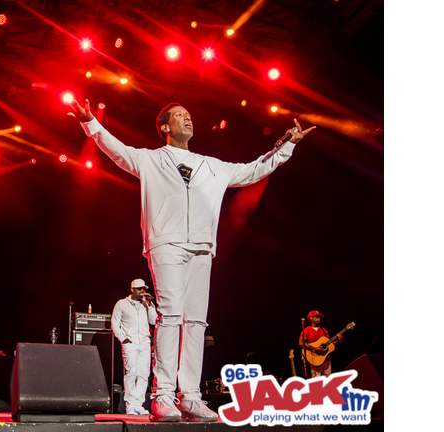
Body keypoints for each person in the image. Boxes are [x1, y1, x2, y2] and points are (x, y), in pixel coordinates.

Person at [68, 99, 314, 422]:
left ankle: (191, 397)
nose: (188, 119)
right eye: (180, 116)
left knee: (196, 322)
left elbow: (253, 169)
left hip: (201, 246)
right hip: (166, 243)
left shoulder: (211, 166)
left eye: (189, 115)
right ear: (165, 127)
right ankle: (163, 395)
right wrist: (91, 124)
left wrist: (285, 146)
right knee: (170, 317)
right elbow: (117, 150)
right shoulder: (150, 159)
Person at [111, 278, 158, 415]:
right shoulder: (122, 304)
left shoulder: (146, 304)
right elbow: (115, 323)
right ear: (132, 289)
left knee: (144, 374)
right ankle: (130, 405)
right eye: (139, 289)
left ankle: (138, 404)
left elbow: (154, 321)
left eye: (144, 288)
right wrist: (123, 339)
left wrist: (150, 305)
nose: (142, 291)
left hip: (144, 342)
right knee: (131, 373)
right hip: (130, 343)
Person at [299, 310, 342, 378]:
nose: (319, 318)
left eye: (319, 317)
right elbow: (301, 343)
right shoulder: (306, 330)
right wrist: (316, 349)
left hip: (326, 359)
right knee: (316, 383)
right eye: (317, 317)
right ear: (311, 318)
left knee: (328, 382)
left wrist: (338, 341)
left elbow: (329, 344)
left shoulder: (324, 330)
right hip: (314, 360)